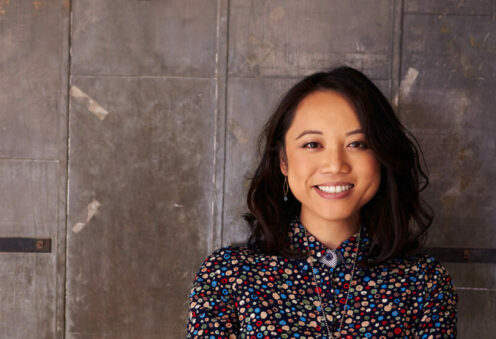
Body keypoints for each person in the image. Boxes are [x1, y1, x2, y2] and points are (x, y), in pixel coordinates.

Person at [186, 66, 457, 338]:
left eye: (358, 144)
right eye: (313, 144)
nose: (335, 165)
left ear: (381, 156)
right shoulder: (227, 275)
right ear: (283, 160)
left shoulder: (424, 282)